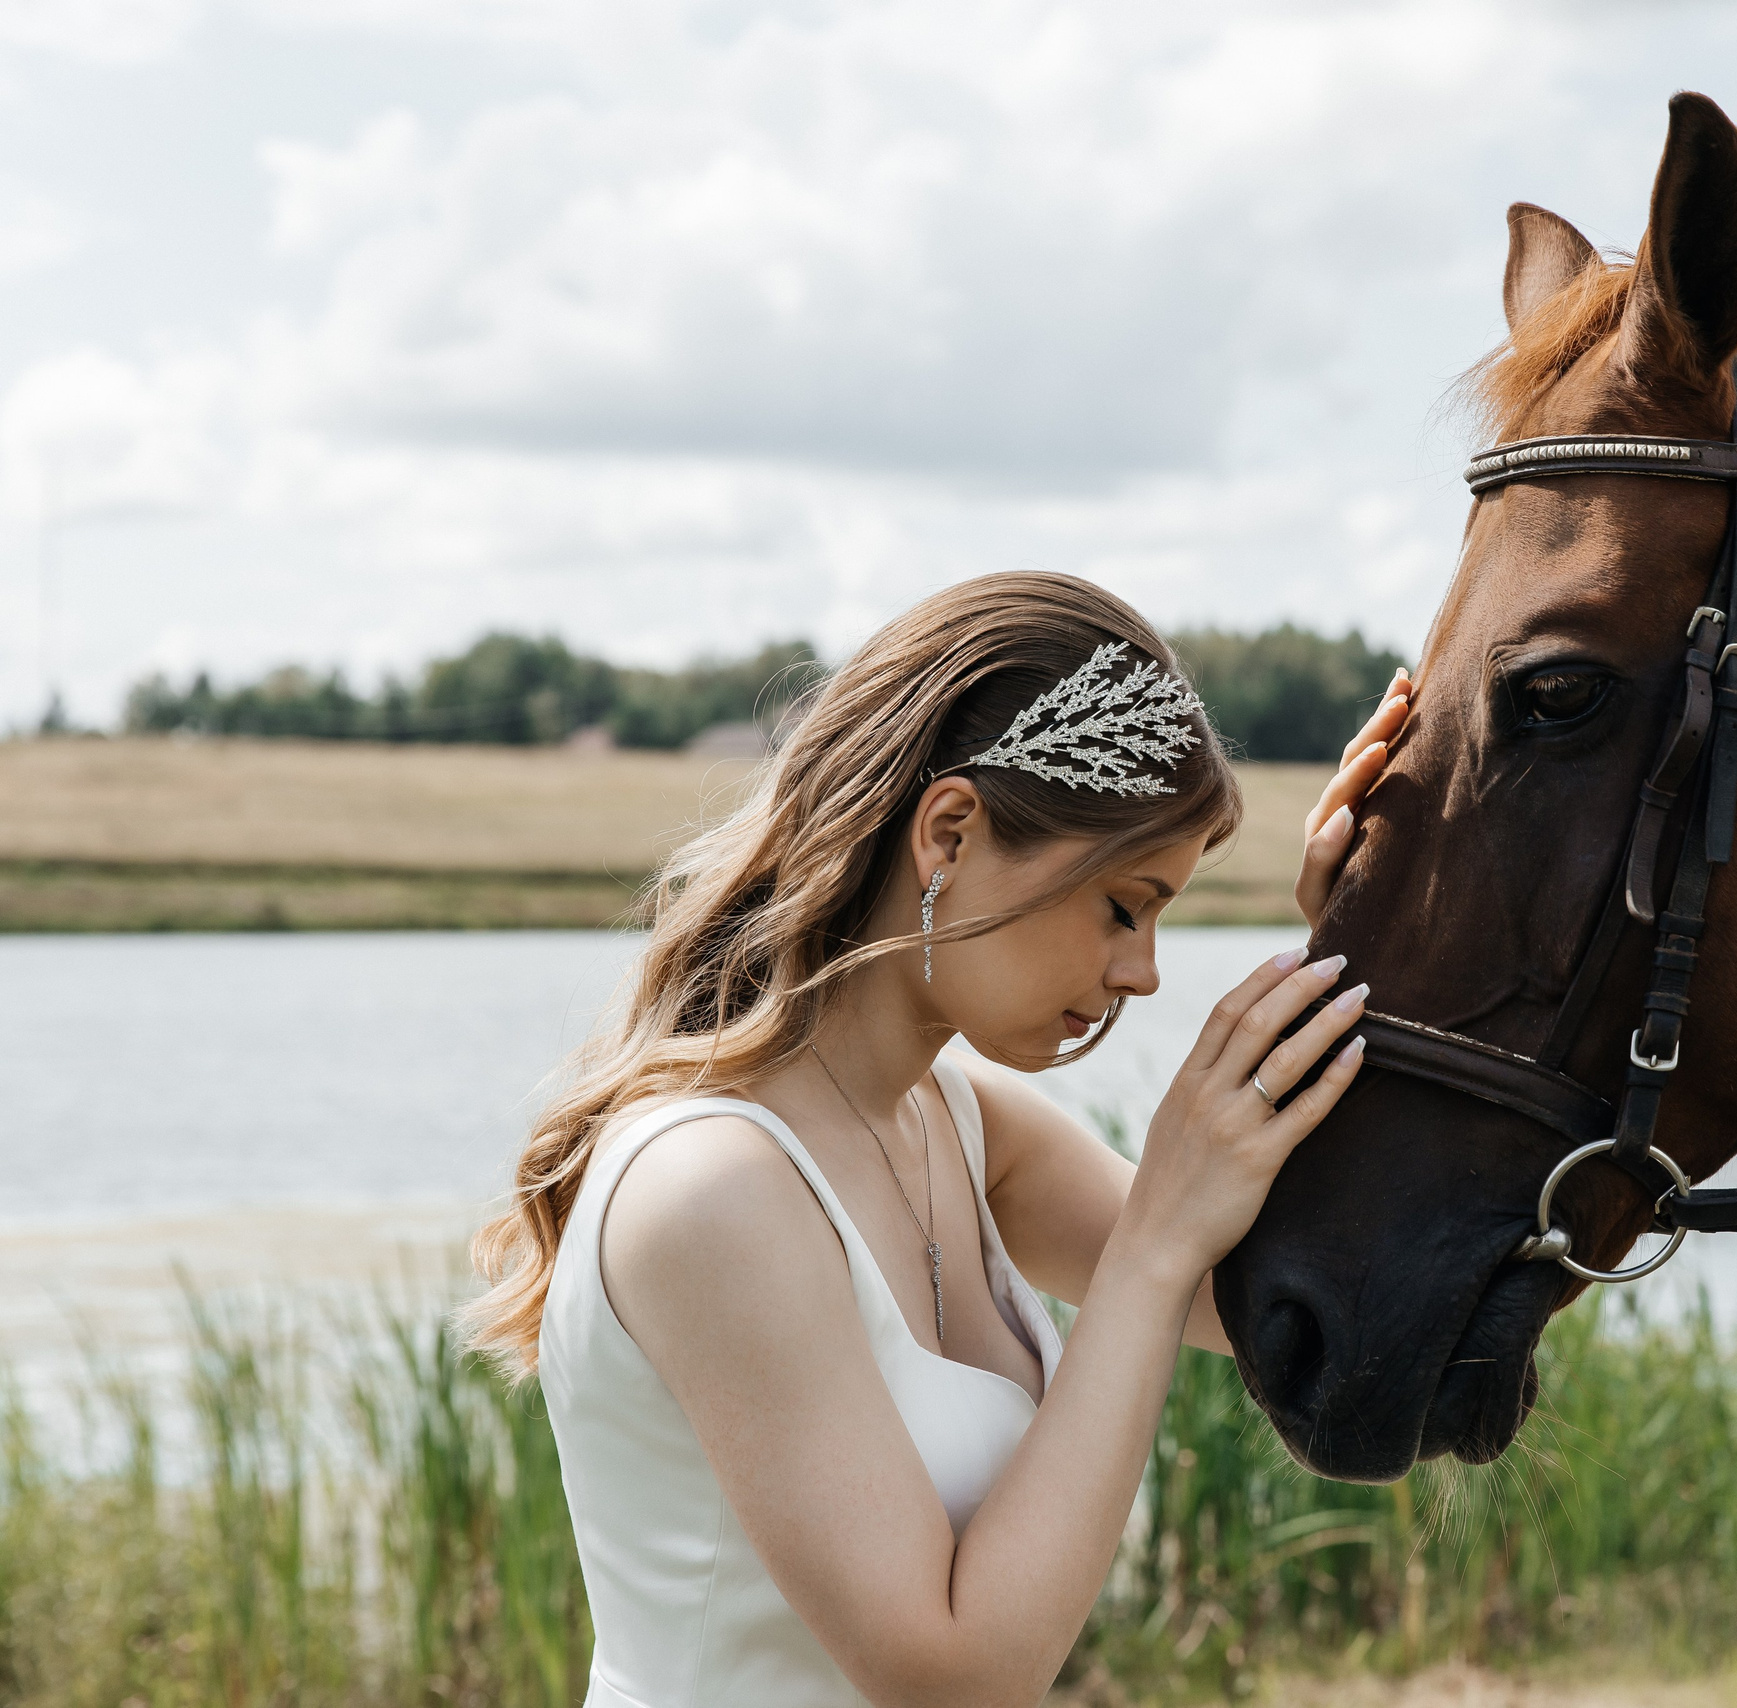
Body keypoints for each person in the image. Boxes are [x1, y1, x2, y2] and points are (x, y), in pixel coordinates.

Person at [462, 572, 1412, 1708]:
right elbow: (951, 1681)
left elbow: (1319, 1299)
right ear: (949, 833)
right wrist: (1153, 1238)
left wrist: (1369, 934)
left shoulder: (959, 1126)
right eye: (1122, 905)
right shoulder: (711, 1187)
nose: (1142, 972)